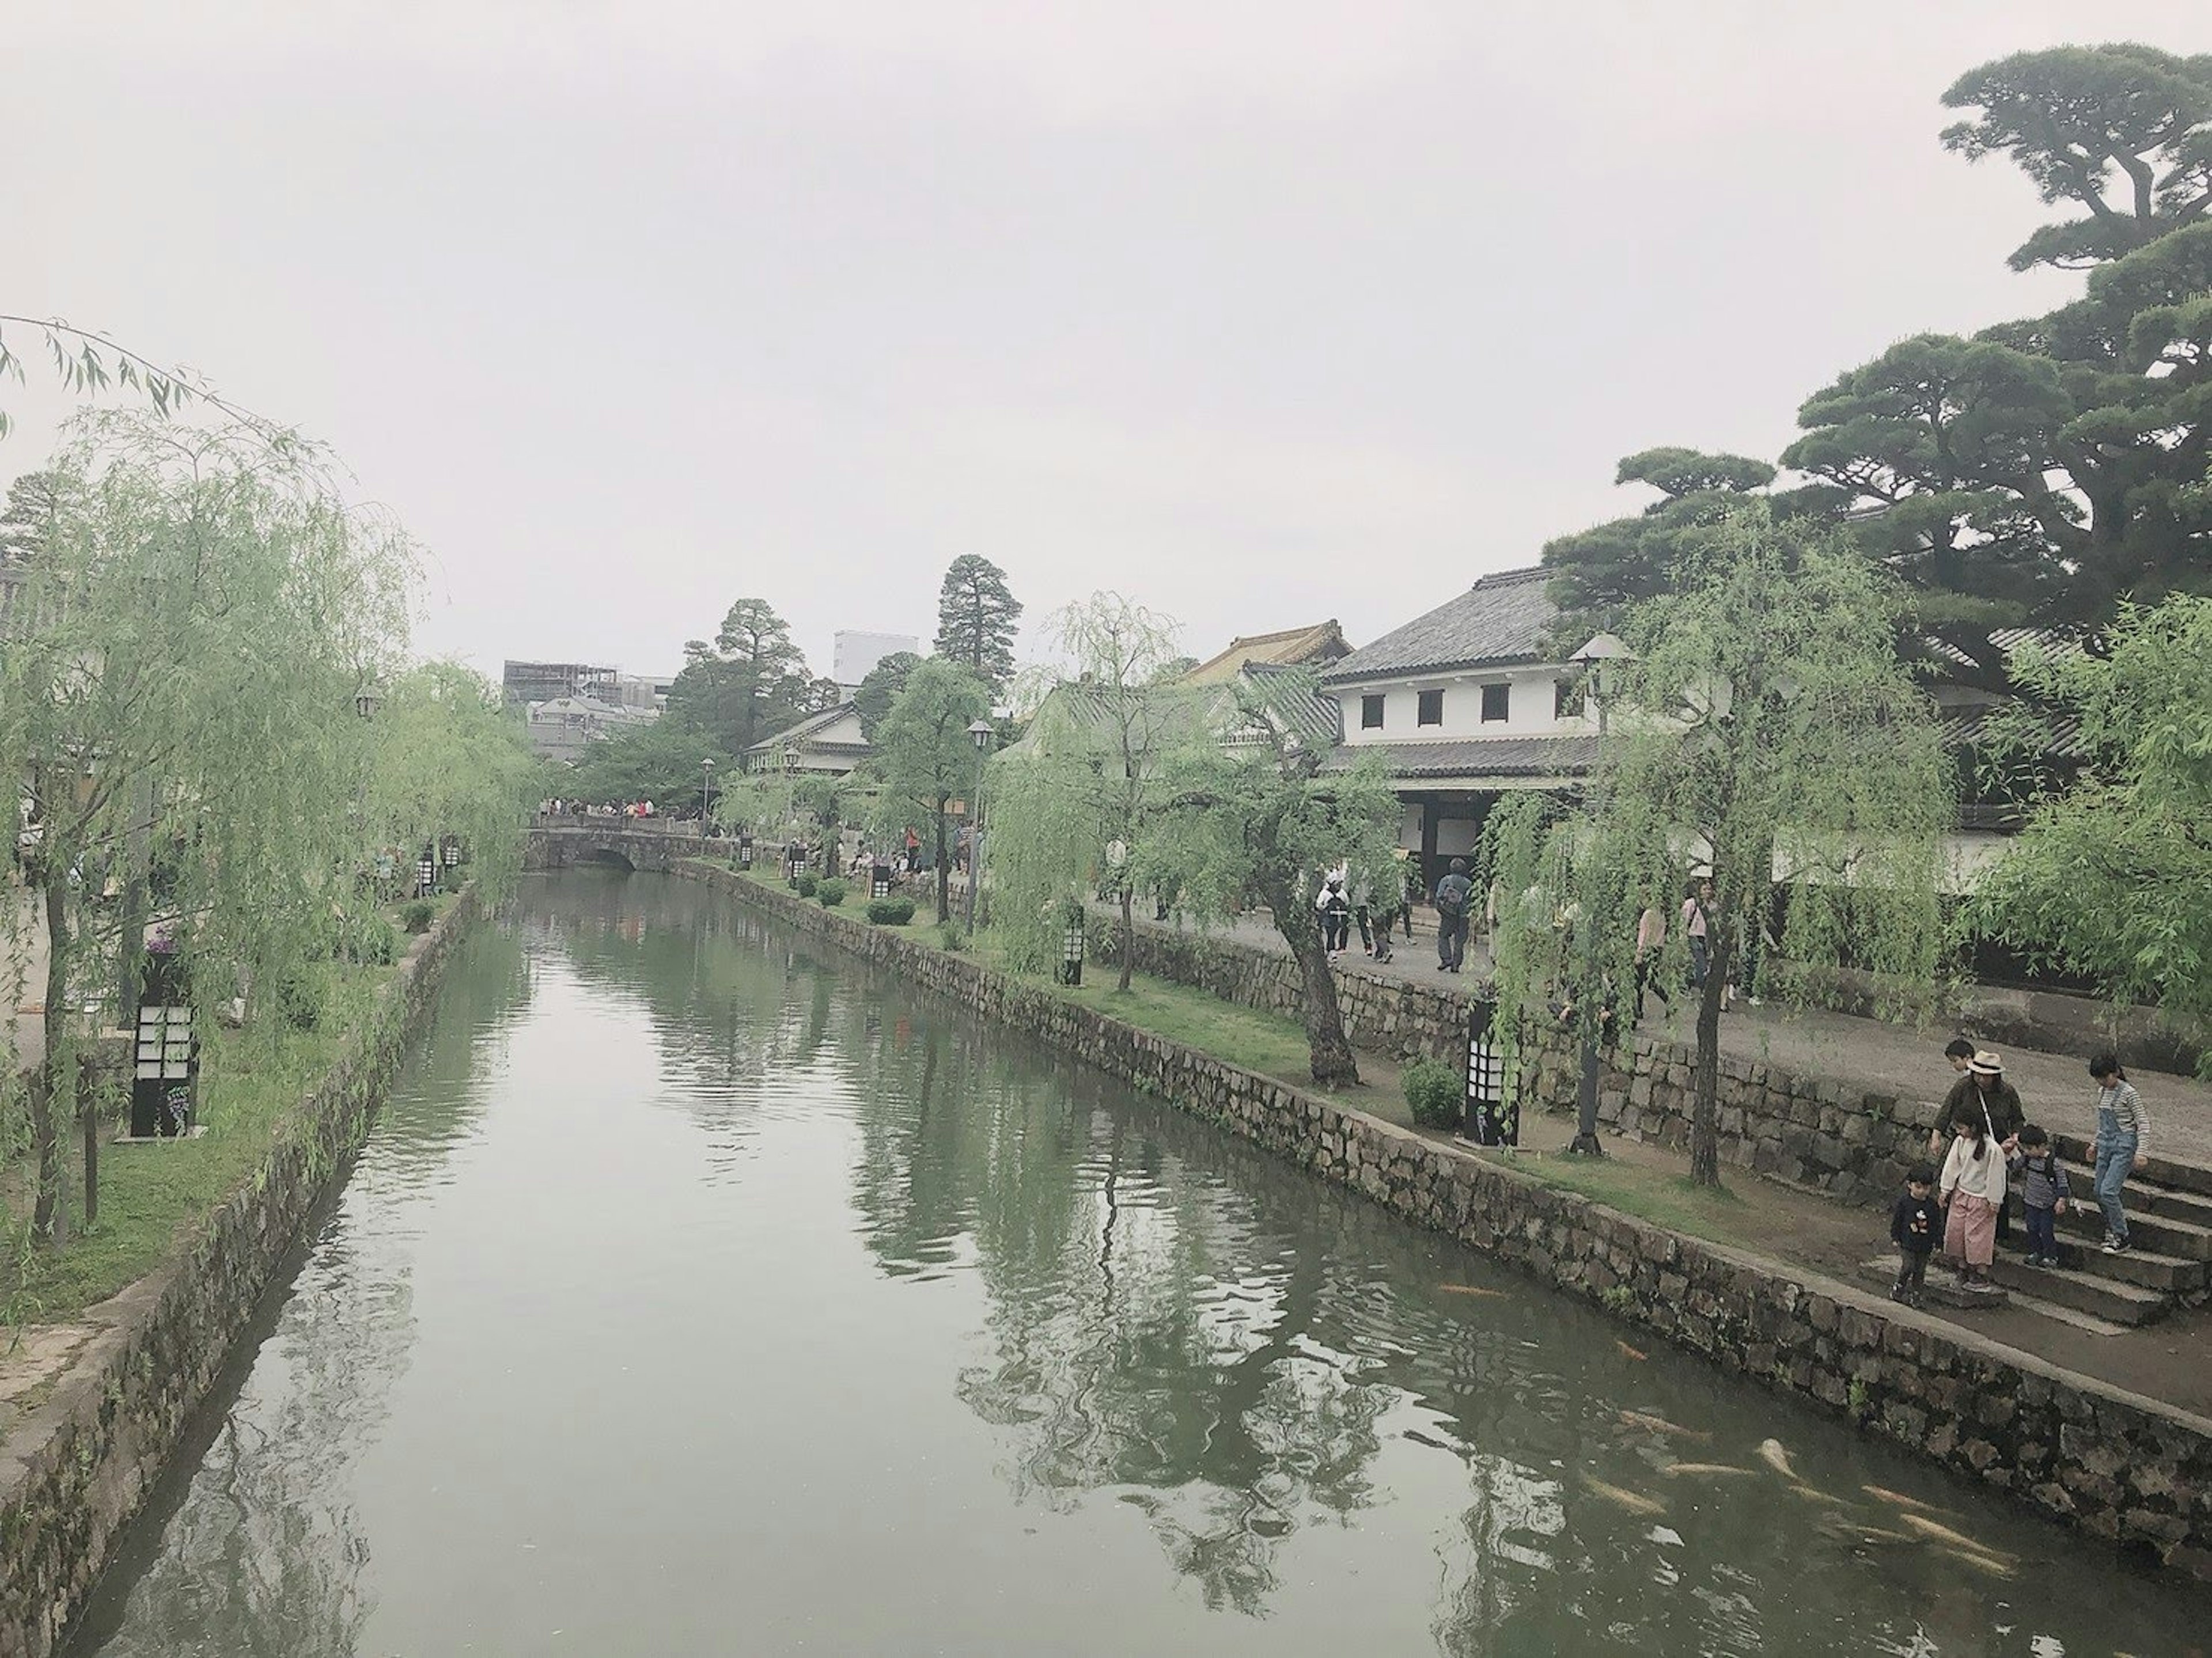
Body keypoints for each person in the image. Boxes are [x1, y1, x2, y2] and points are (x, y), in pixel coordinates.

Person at [2089, 1053, 2150, 1255]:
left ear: (2115, 1073)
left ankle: (2122, 1235)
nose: (2102, 1082)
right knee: (2098, 1191)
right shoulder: (2102, 1092)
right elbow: (2102, 1123)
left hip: (2124, 1144)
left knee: (2109, 1191)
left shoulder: (2129, 1093)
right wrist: (2094, 1144)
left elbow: (2143, 1123)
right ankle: (2111, 1228)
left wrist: (2141, 1152)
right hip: (2106, 1144)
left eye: (2105, 1078)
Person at [1940, 1116, 2007, 1291]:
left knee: (1978, 1237)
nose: (1959, 1132)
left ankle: (1980, 1274)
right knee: (1957, 1232)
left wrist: (1994, 1199)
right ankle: (1962, 1269)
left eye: (1962, 1128)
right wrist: (1946, 1189)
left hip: (1982, 1198)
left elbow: (1996, 1175)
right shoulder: (1960, 1142)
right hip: (1961, 1193)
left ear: (1973, 1127)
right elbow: (1952, 1166)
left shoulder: (1993, 1149)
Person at [2010, 1124, 2071, 1269]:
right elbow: (2013, 1166)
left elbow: (2063, 1183)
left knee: (2046, 1230)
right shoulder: (2027, 1159)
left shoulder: (2053, 1164)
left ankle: (2051, 1255)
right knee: (2032, 1228)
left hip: (2047, 1204)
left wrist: (2061, 1200)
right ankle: (2035, 1252)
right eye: (2024, 1148)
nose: (2027, 1152)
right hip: (2031, 1201)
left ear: (2042, 1146)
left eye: (2030, 1149)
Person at [1889, 1162, 1941, 1307]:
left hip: (1925, 1245)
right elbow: (1898, 1220)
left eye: (1925, 1188)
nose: (1922, 1191)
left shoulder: (1932, 1206)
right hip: (1907, 1242)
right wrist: (1895, 1237)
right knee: (1908, 1266)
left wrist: (1938, 1242)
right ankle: (1900, 1286)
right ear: (1910, 1185)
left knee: (1920, 1271)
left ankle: (1917, 1294)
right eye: (1918, 1187)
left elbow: (1937, 1225)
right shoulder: (1904, 1202)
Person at [1433, 858, 1473, 973]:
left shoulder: (1446, 880)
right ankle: (1456, 964)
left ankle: (1446, 959)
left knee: (1443, 935)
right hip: (1464, 915)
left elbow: (1439, 895)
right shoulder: (1468, 883)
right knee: (1459, 940)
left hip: (1449, 914)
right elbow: (1471, 900)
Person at [1633, 904, 1669, 1022]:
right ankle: (1638, 1010)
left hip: (1647, 949)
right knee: (1640, 981)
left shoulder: (1648, 914)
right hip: (1657, 949)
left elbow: (1643, 935)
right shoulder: (1661, 914)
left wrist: (1640, 952)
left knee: (1648, 980)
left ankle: (1669, 1002)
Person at [1317, 874, 1351, 957]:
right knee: (1331, 934)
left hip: (1340, 917)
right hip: (1329, 917)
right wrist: (1325, 908)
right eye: (1336, 884)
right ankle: (1331, 950)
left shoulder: (1342, 893)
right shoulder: (1325, 893)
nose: (1338, 886)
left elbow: (1347, 902)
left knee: (1341, 931)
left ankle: (1341, 947)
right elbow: (1319, 905)